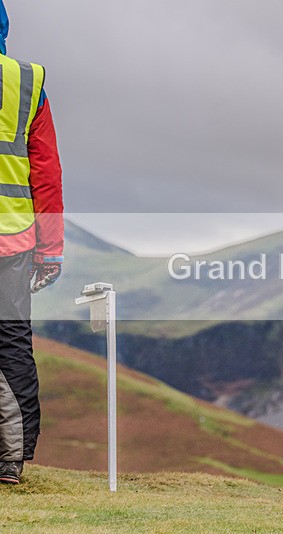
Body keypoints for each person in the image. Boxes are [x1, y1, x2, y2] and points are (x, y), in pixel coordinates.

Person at [0, 0, 64, 485]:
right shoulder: (26, 82)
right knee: (12, 343)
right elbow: (46, 171)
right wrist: (51, 248)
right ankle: (11, 461)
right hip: (14, 238)